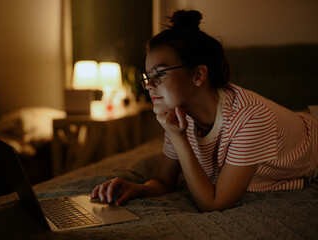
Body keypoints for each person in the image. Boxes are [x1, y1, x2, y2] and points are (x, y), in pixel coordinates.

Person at [91, 10, 318, 212]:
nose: (150, 85)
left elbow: (214, 204)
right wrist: (138, 188)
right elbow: (163, 181)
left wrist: (179, 138)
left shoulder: (251, 118)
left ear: (198, 75)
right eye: (148, 77)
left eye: (159, 74)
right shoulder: (179, 113)